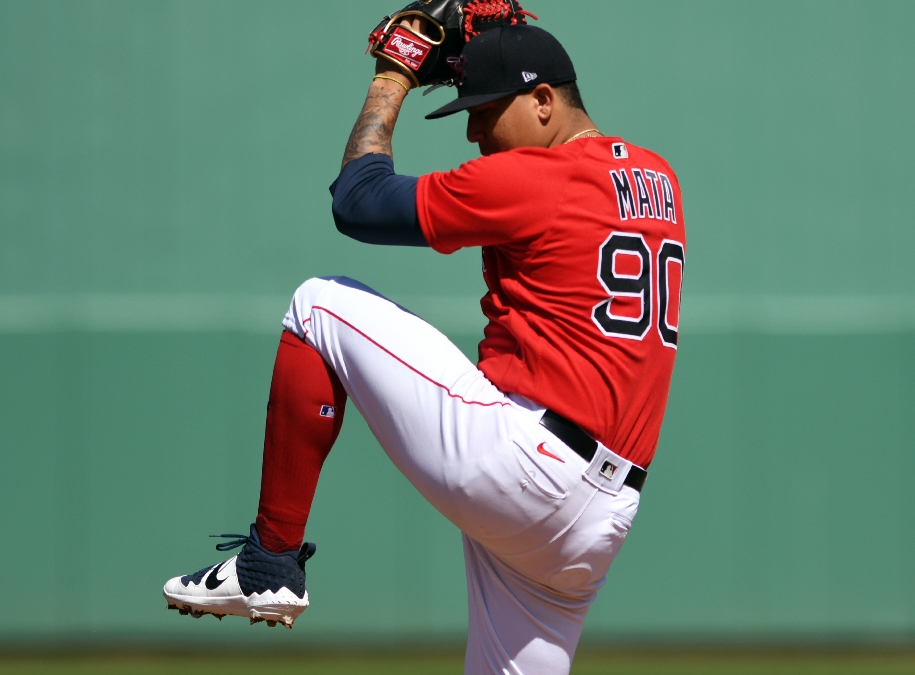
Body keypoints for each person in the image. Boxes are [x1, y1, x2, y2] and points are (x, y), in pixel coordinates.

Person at [162, 19, 685, 675]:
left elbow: (358, 200)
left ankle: (270, 557)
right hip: (599, 521)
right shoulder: (659, 180)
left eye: (486, 111)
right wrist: (494, 55)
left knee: (319, 304)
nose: (473, 132)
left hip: (529, 465)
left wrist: (395, 75)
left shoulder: (535, 180)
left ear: (543, 101)